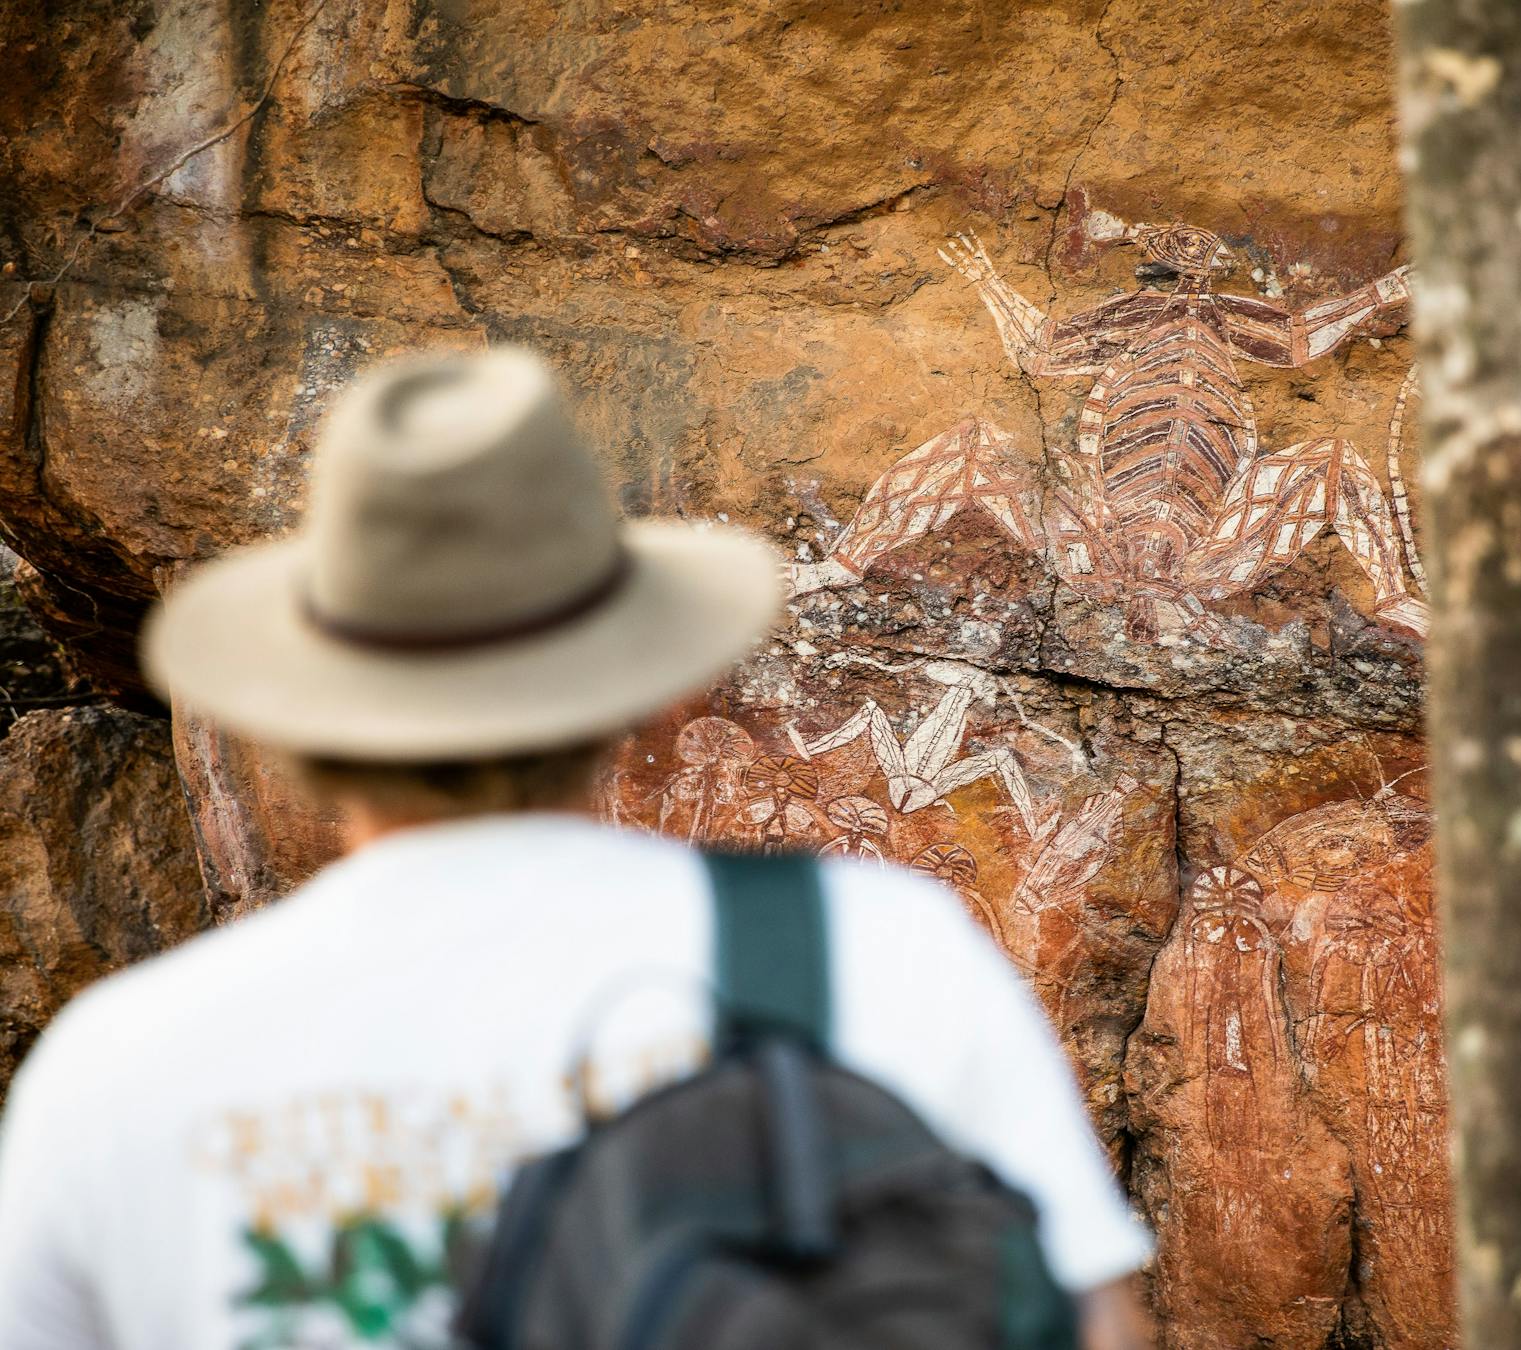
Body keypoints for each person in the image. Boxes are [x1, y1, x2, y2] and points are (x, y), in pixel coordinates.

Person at [0, 348, 1152, 1349]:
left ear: (295, 729)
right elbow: (1087, 1325)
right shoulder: (879, 952)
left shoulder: (116, 1071)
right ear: (650, 693)